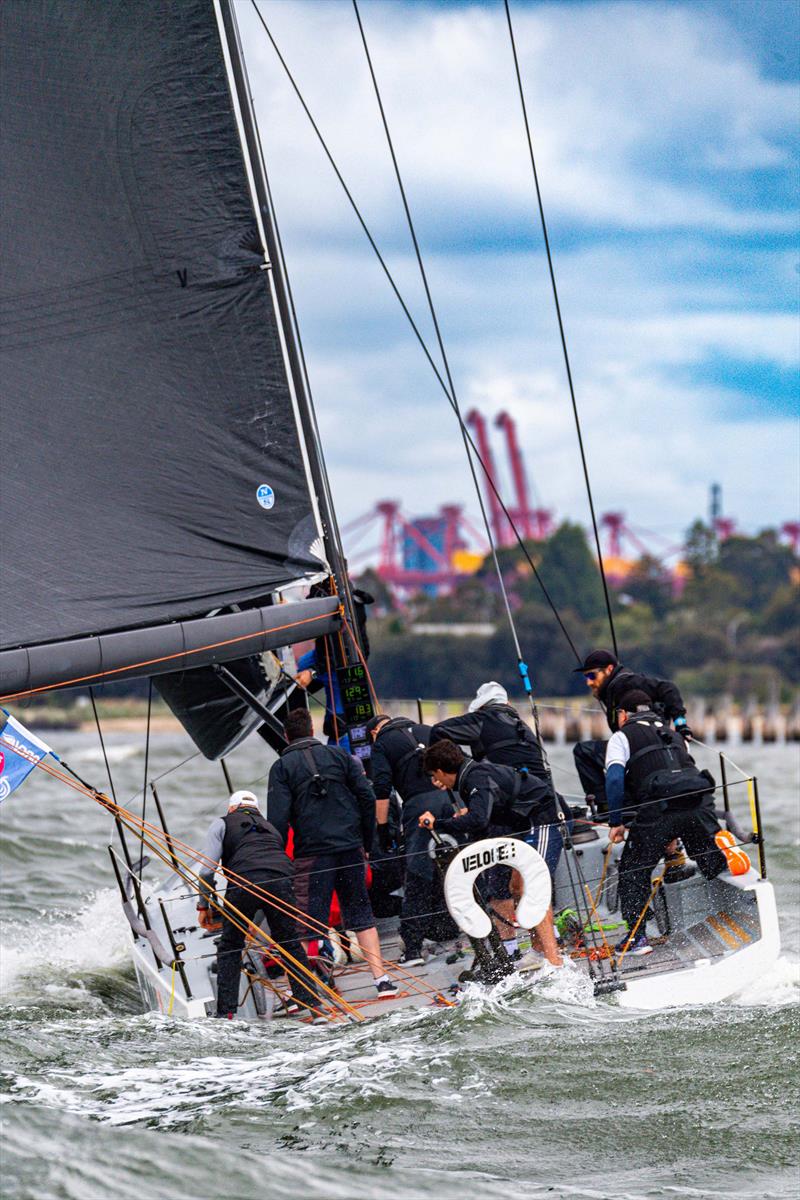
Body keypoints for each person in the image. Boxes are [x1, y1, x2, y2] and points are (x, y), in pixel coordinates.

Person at [604, 690, 749, 957]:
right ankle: (722, 851)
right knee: (706, 857)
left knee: (633, 869)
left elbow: (614, 780)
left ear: (623, 715)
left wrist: (616, 822)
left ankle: (637, 938)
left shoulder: (621, 736)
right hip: (697, 803)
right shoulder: (675, 734)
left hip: (659, 809)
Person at [267, 708, 399, 996]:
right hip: (351, 847)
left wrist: (278, 859)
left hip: (312, 854)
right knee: (361, 914)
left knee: (307, 923)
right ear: (313, 730)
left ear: (286, 736)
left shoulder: (282, 767)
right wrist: (365, 842)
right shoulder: (342, 756)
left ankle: (302, 991)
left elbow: (277, 818)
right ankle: (382, 980)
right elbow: (366, 797)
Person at [418, 740, 563, 967]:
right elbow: (483, 817)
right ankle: (539, 950)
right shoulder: (470, 774)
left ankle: (554, 961)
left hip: (545, 819)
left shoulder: (475, 777)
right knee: (516, 888)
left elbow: (478, 820)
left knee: (533, 887)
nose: (437, 782)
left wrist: (439, 824)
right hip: (524, 824)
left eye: (435, 776)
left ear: (440, 771)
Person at [196, 790, 321, 1020]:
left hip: (244, 883)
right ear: (257, 810)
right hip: (282, 883)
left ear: (231, 808)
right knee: (289, 943)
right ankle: (311, 1005)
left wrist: (203, 906)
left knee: (231, 946)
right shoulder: (271, 828)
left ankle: (226, 1013)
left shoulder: (221, 823)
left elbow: (206, 871)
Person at [572, 648, 694, 880]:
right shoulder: (614, 689)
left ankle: (612, 809)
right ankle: (670, 852)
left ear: (608, 669)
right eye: (585, 677)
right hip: (653, 757)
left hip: (643, 751)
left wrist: (681, 722)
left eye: (591, 675)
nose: (588, 682)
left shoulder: (623, 683)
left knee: (584, 752)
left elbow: (668, 688)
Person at [367, 713, 459, 965]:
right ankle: (455, 932)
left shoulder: (382, 744)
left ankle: (413, 950)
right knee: (456, 869)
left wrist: (383, 829)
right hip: (450, 801)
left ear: (374, 732)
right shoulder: (427, 729)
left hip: (418, 809)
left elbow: (382, 788)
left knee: (418, 875)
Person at [430, 681, 547, 779]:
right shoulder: (524, 728)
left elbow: (438, 731)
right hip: (542, 792)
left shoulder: (482, 719)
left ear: (480, 707)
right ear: (508, 704)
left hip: (507, 794)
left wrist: (462, 767)